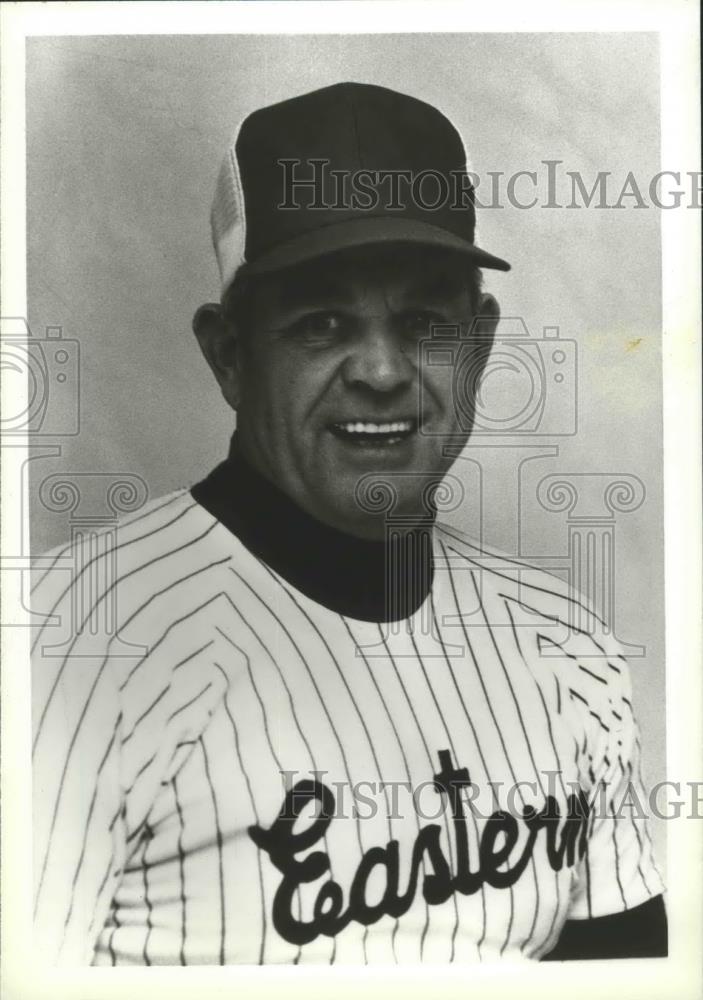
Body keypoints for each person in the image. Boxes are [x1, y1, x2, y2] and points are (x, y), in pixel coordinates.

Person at [31, 81, 666, 966]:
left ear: (477, 348)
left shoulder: (566, 644)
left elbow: (624, 973)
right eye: (321, 321)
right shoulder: (61, 645)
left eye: (421, 321)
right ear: (229, 355)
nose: (379, 369)